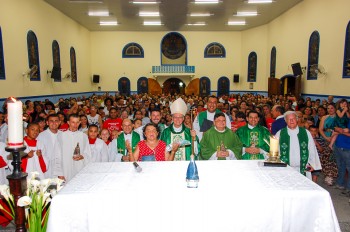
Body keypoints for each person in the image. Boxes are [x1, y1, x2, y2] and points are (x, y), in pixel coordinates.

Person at [275, 111, 322, 180]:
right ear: (285, 121)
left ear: (297, 119)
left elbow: (312, 148)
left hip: (303, 168)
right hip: (285, 168)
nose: (291, 121)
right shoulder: (280, 133)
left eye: (293, 118)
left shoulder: (305, 133)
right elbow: (275, 150)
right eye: (289, 119)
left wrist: (313, 164)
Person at [58, 114, 91, 182]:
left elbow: (88, 153)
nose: (75, 125)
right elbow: (57, 155)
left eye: (77, 122)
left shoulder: (83, 136)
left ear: (79, 123)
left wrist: (82, 156)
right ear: (68, 122)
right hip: (65, 169)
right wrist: (59, 172)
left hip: (79, 168)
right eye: (73, 122)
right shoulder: (61, 136)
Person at [37, 114, 64, 179]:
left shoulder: (63, 135)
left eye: (56, 121)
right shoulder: (41, 136)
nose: (54, 123)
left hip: (61, 168)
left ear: (59, 122)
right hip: (47, 169)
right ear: (47, 122)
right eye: (51, 121)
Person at [318, 103, 338, 185]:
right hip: (325, 138)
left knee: (332, 159)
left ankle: (330, 176)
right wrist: (326, 138)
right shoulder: (324, 117)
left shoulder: (338, 118)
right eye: (328, 108)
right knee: (325, 157)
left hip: (334, 139)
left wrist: (331, 138)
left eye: (332, 108)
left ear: (335, 109)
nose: (330, 110)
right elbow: (320, 129)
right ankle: (326, 174)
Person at [333, 120, 350, 195]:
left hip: (347, 148)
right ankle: (340, 183)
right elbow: (335, 127)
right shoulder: (346, 118)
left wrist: (341, 132)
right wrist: (337, 129)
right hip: (338, 145)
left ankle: (348, 188)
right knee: (341, 166)